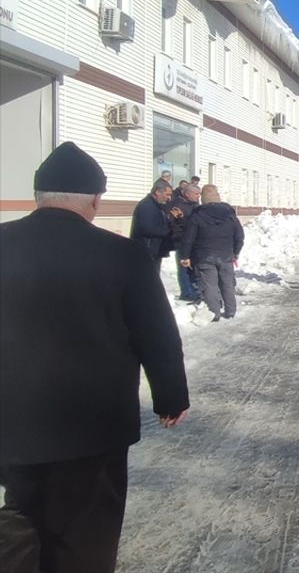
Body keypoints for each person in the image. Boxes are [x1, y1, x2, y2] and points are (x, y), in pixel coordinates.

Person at [0, 142, 189, 573]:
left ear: (39, 196)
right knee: (86, 530)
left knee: (18, 521)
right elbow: (156, 333)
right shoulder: (122, 254)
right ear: (94, 200)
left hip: (12, 421)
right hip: (92, 425)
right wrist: (171, 396)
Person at [179, 185, 243, 322]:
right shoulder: (229, 214)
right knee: (227, 283)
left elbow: (189, 238)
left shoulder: (197, 214)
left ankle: (214, 312)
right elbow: (239, 235)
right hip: (226, 254)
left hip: (204, 255)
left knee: (209, 285)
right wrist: (236, 251)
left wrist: (185, 256)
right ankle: (230, 311)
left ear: (203, 198)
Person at [130, 179, 174, 273]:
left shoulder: (158, 205)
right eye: (167, 194)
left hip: (155, 250)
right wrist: (168, 232)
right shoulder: (147, 206)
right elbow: (147, 228)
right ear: (157, 192)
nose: (169, 198)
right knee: (147, 276)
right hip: (146, 250)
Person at [167, 184, 202, 302]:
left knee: (193, 267)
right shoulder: (177, 205)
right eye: (196, 194)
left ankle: (195, 290)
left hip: (194, 241)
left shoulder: (196, 205)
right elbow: (173, 224)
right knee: (184, 268)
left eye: (199, 194)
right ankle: (187, 293)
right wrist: (180, 218)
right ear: (187, 194)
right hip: (181, 240)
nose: (198, 196)